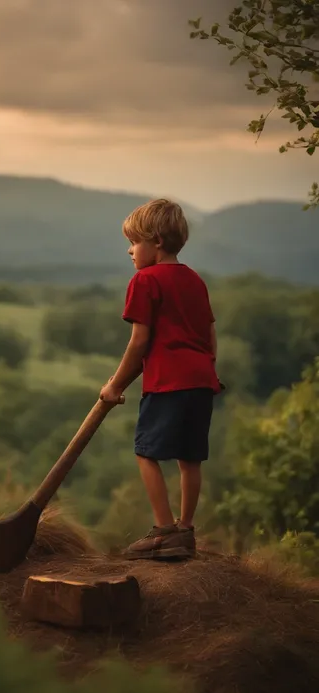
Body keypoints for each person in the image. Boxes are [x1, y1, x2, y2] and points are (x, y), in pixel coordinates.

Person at [99, 198, 222, 560]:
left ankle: (164, 529)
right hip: (202, 380)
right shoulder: (194, 280)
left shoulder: (145, 280)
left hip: (169, 382)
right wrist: (205, 365)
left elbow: (140, 341)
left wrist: (114, 386)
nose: (130, 251)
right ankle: (185, 529)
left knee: (145, 451)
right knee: (190, 458)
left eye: (134, 243)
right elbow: (210, 335)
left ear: (156, 242)